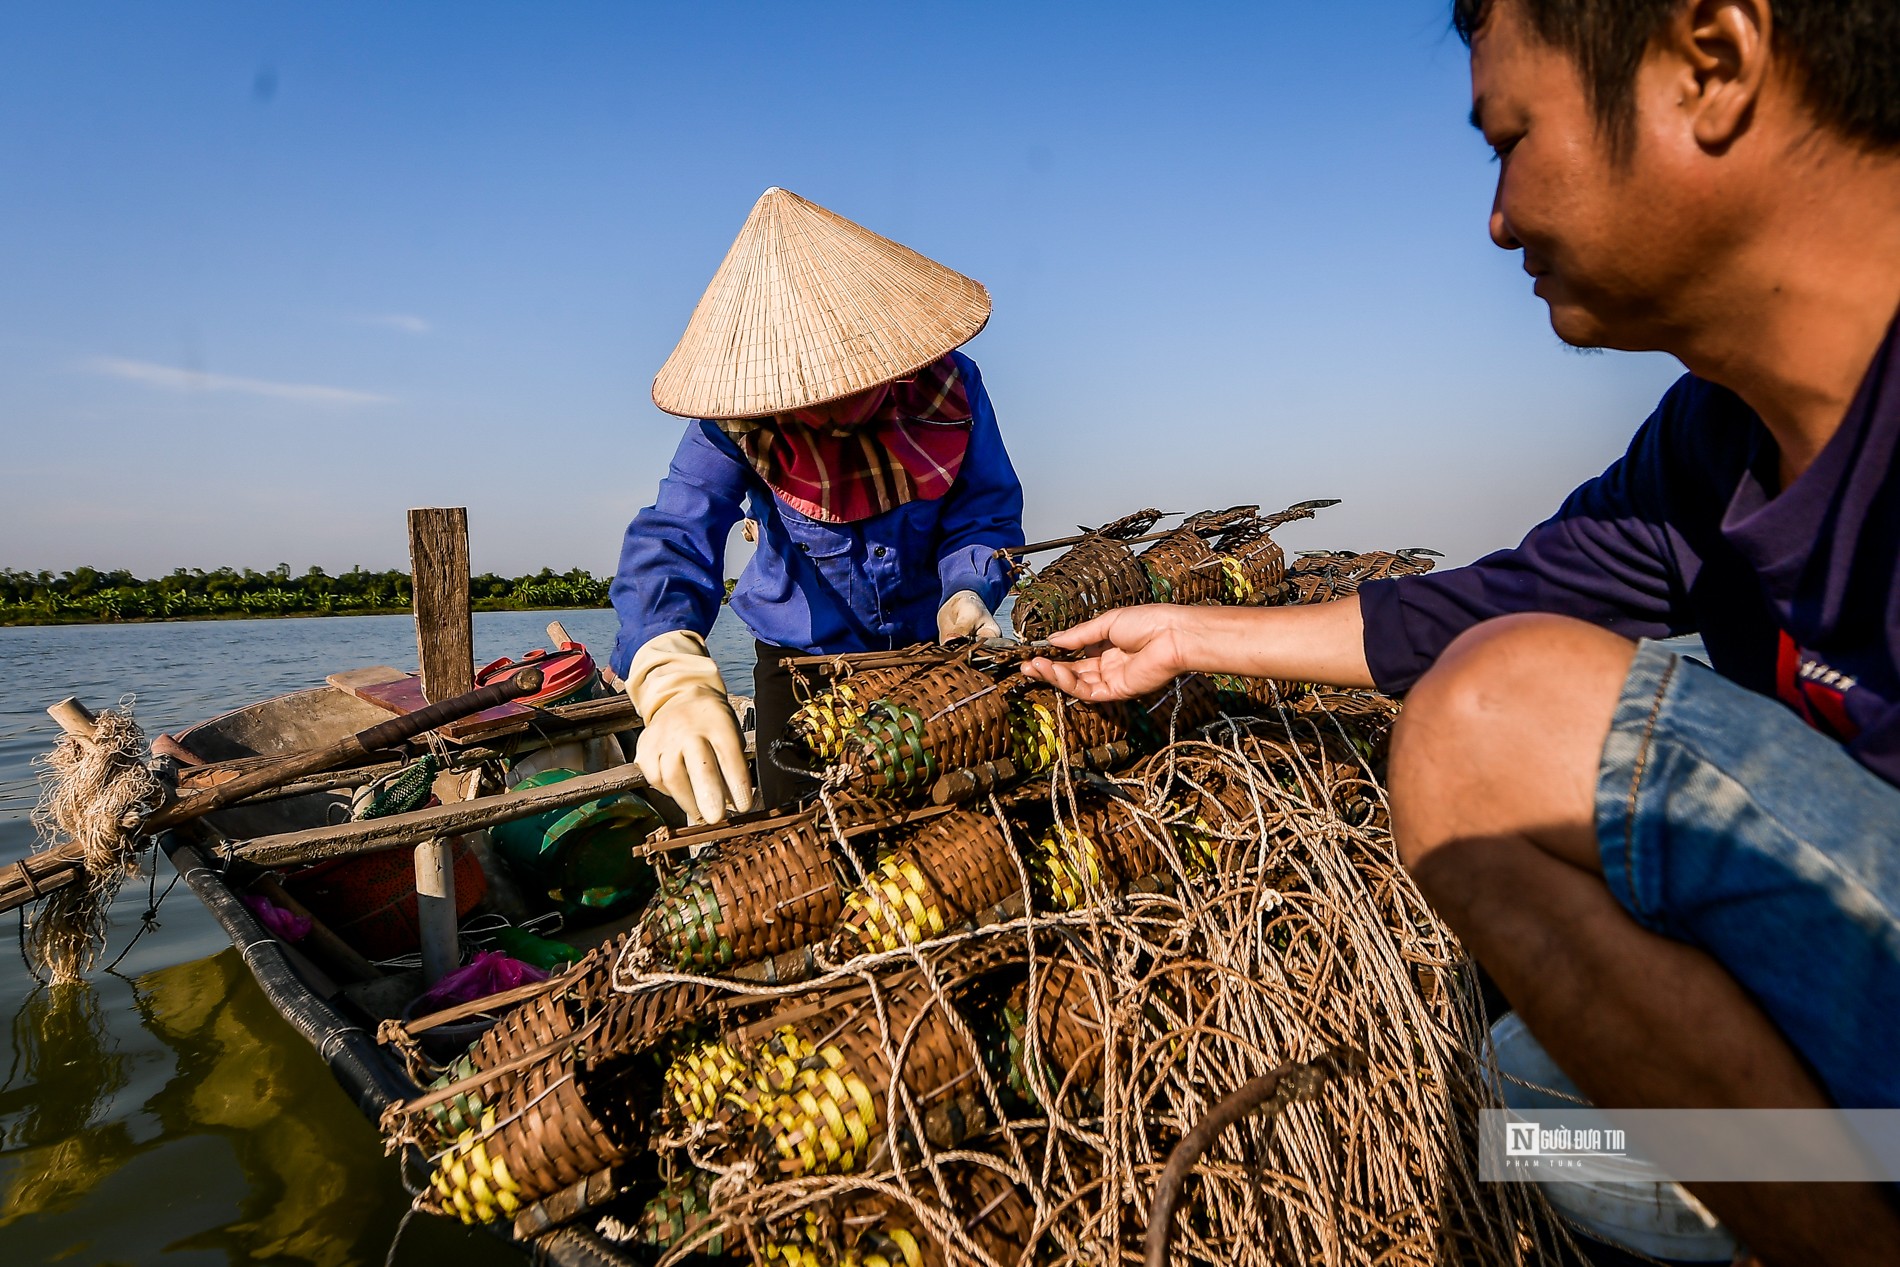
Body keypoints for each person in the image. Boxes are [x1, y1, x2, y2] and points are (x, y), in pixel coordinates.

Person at [1023, 1, 1900, 1262]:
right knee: (1527, 1108)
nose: (1499, 218)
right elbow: (1474, 604)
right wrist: (1183, 635)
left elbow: (1490, 665)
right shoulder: (1711, 452)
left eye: (1511, 137)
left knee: (1487, 726)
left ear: (1712, 64)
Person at [611, 188, 1025, 826]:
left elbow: (983, 512)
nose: (827, 402)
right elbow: (674, 533)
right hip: (801, 669)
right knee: (805, 842)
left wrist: (968, 590)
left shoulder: (950, 388)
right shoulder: (738, 420)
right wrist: (669, 673)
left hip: (930, 657)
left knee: (943, 836)